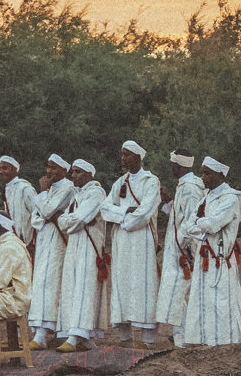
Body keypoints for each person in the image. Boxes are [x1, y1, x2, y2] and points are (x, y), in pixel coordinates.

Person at [100, 140, 162, 348]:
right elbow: (105, 208)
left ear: (138, 157)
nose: (123, 158)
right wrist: (125, 212)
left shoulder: (150, 181)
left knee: (143, 282)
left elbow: (145, 212)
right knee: (122, 281)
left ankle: (148, 339)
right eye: (122, 154)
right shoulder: (120, 182)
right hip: (121, 239)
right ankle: (125, 336)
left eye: (127, 154)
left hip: (141, 238)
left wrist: (124, 219)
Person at [181, 157, 241, 346]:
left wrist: (200, 224)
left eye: (207, 173)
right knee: (201, 299)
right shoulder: (205, 199)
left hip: (220, 257)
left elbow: (213, 224)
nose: (203, 177)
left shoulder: (231, 198)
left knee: (222, 300)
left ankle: (225, 343)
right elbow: (187, 226)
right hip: (204, 255)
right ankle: (201, 340)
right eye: (202, 173)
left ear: (220, 175)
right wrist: (202, 225)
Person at [55, 159, 106, 352]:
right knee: (72, 286)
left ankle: (77, 334)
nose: (73, 175)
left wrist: (71, 221)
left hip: (89, 245)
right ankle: (79, 335)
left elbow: (81, 218)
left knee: (85, 288)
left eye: (77, 172)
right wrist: (72, 221)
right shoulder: (77, 195)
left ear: (89, 174)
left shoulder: (96, 192)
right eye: (73, 172)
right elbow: (64, 221)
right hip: (75, 243)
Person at [28, 155, 76, 350]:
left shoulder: (68, 188)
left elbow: (47, 211)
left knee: (53, 283)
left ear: (64, 170)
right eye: (48, 167)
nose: (49, 172)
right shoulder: (51, 190)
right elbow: (36, 217)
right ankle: (40, 330)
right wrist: (44, 211)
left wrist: (42, 194)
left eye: (54, 168)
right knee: (40, 282)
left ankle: (46, 332)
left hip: (58, 240)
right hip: (44, 238)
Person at [156, 150, 203, 341]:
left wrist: (187, 249)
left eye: (172, 164)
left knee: (179, 290)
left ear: (179, 165)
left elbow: (193, 219)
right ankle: (181, 333)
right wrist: (168, 200)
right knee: (175, 291)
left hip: (183, 250)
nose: (171, 168)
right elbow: (179, 213)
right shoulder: (183, 185)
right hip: (176, 248)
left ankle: (183, 336)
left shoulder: (191, 187)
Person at [0, 155, 37, 249]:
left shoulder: (25, 188)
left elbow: (37, 213)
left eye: (5, 168)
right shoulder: (6, 189)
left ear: (15, 170)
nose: (1, 172)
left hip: (26, 242)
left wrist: (34, 240)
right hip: (10, 241)